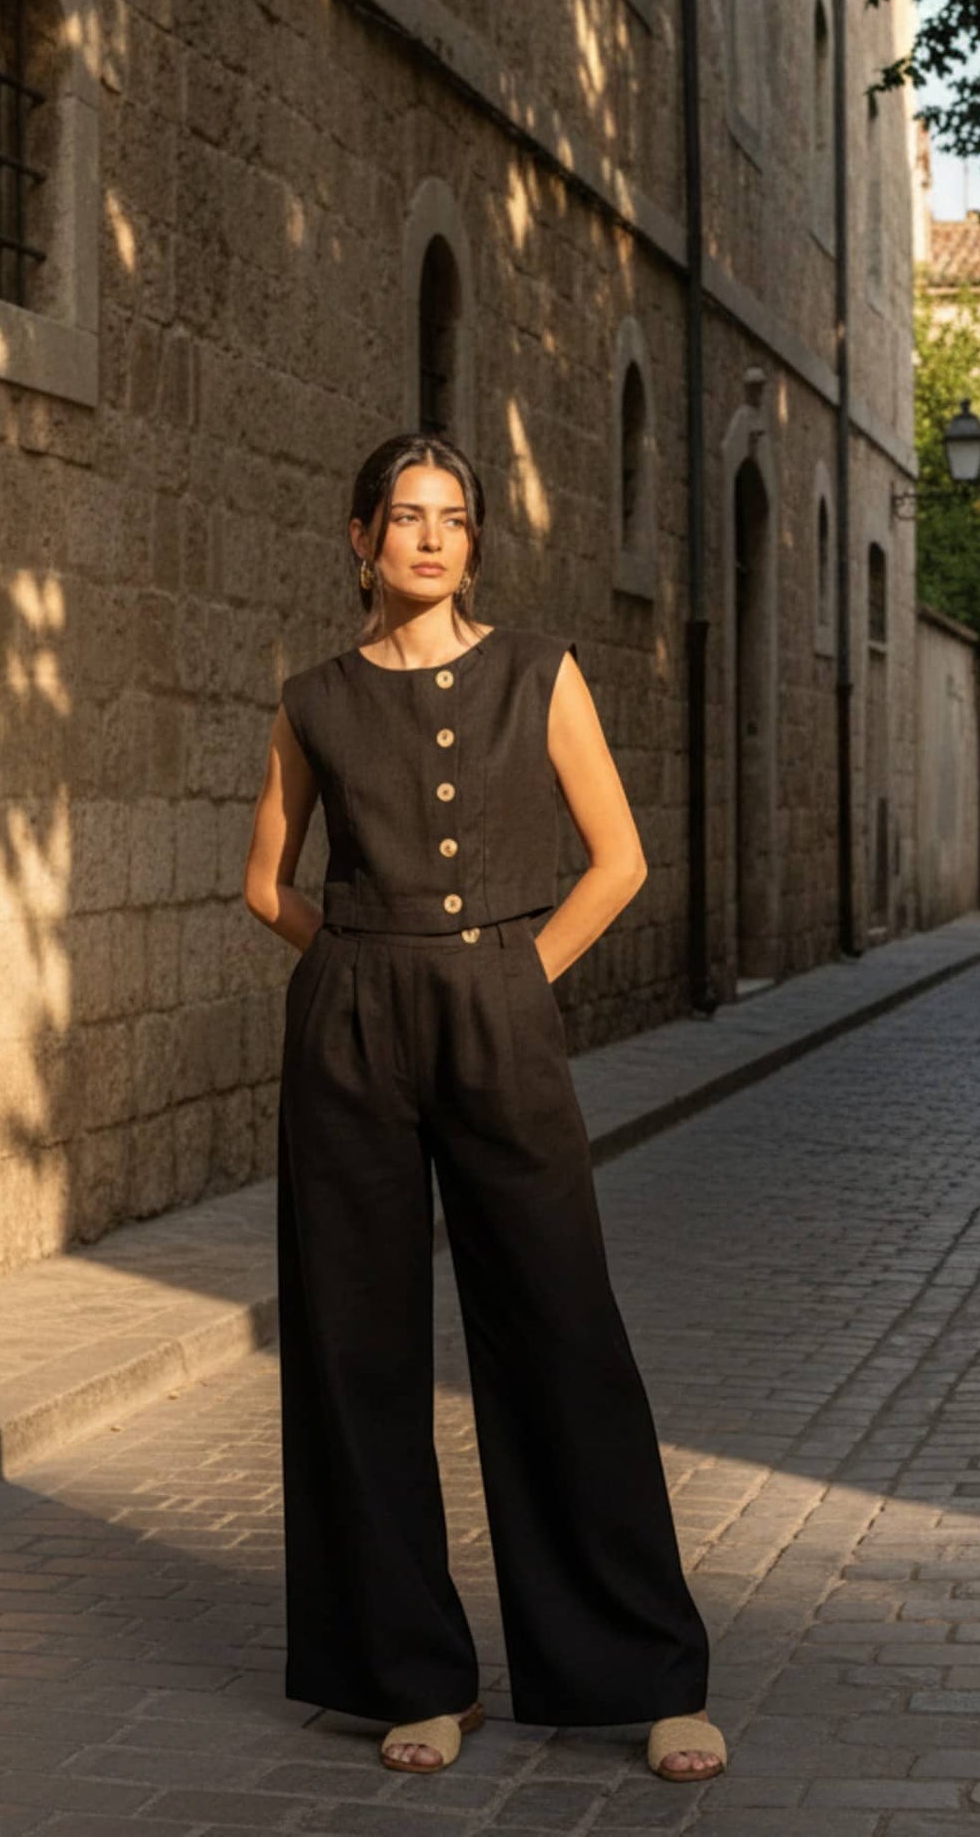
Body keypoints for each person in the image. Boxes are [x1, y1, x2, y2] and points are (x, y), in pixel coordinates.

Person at [242, 432, 726, 1783]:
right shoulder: (312, 699)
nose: (430, 538)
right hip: (350, 1029)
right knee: (356, 1351)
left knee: (559, 1328)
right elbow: (264, 880)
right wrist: (353, 965)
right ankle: (412, 1673)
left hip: (501, 1021)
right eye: (404, 516)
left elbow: (617, 857)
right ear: (360, 539)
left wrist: (514, 977)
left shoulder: (539, 672)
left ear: (473, 541)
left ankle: (642, 1672)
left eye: (452, 517)